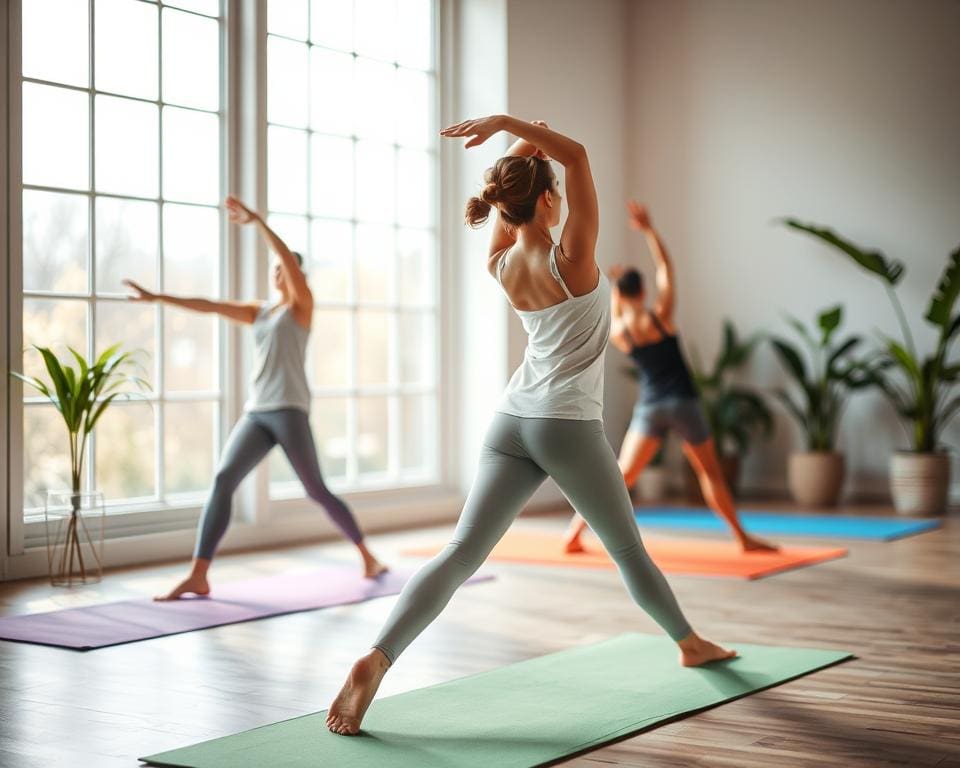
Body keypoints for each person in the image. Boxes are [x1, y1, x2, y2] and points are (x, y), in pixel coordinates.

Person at [325, 117, 735, 737]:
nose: (566, 198)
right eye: (557, 194)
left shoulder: (500, 261)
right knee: (627, 550)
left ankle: (377, 658)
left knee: (461, 552)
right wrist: (509, 126)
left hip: (510, 420)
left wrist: (521, 143)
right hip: (565, 424)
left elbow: (526, 182)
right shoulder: (575, 257)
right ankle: (690, 642)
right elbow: (580, 154)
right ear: (547, 200)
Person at [124, 195, 387, 601]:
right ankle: (198, 574)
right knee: (223, 479)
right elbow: (209, 306)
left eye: (284, 269)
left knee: (316, 489)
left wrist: (259, 222)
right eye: (274, 270)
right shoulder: (259, 312)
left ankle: (367, 556)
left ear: (297, 274)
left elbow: (283, 256)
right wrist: (158, 298)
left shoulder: (301, 306)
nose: (277, 273)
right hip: (258, 412)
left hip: (289, 411)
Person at [563, 202, 777, 555]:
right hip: (683, 403)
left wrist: (614, 289)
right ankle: (743, 539)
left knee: (620, 477)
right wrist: (648, 229)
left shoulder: (621, 331)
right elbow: (665, 267)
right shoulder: (659, 316)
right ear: (643, 292)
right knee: (710, 474)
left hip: (651, 407)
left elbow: (617, 310)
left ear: (620, 296)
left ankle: (573, 535)